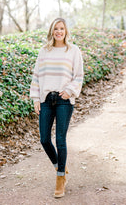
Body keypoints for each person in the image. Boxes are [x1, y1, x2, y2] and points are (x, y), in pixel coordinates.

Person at [30, 17, 84, 198]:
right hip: (46, 99)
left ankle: (60, 178)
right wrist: (36, 98)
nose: (58, 31)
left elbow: (78, 76)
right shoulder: (44, 51)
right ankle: (60, 165)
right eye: (55, 29)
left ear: (66, 31)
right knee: (44, 139)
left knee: (60, 140)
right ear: (52, 31)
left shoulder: (73, 51)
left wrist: (70, 91)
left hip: (63, 100)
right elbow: (36, 76)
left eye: (61, 28)